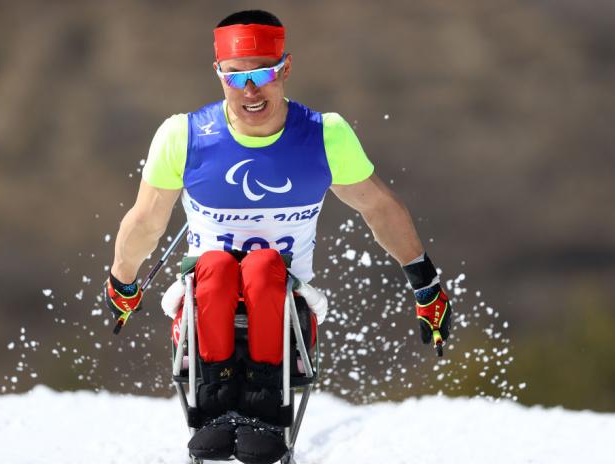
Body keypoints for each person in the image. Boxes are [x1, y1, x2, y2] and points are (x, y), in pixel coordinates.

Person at [104, 9, 452, 464]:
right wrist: (122, 283)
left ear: (285, 68)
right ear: (219, 75)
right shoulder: (184, 136)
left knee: (265, 266)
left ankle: (265, 409)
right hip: (205, 301)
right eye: (235, 77)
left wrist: (426, 286)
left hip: (287, 304)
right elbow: (146, 220)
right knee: (217, 267)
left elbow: (380, 208)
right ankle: (214, 408)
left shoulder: (325, 135)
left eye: (263, 73)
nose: (250, 90)